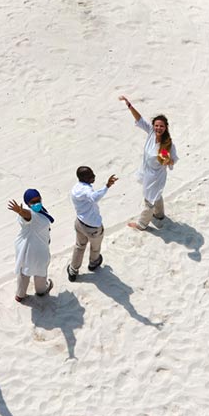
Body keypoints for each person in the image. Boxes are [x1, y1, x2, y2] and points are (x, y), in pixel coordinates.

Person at [118, 96, 179, 231]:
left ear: (166, 127)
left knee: (149, 199)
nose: (158, 128)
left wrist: (168, 159)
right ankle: (160, 214)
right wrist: (129, 105)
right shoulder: (151, 133)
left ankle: (142, 224)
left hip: (156, 176)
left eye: (161, 126)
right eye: (156, 125)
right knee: (156, 195)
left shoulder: (168, 144)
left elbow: (173, 161)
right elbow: (139, 119)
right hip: (147, 171)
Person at [66, 166, 118, 282]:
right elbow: (94, 197)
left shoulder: (76, 188)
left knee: (79, 247)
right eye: (90, 175)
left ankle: (73, 271)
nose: (94, 176)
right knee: (95, 247)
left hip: (79, 223)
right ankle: (93, 264)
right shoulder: (87, 191)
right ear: (84, 178)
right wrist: (107, 186)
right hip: (92, 227)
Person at [8, 189, 54, 302]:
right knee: (40, 271)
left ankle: (20, 295)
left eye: (38, 200)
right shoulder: (30, 214)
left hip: (27, 248)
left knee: (24, 273)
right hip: (37, 250)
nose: (37, 203)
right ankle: (41, 291)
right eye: (33, 202)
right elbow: (27, 216)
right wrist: (20, 211)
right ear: (28, 204)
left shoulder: (40, 211)